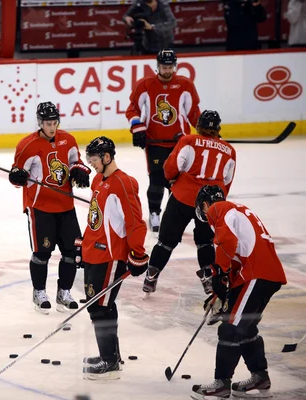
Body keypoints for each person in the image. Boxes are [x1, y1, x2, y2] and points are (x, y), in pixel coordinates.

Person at [191, 185, 287, 400]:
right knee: (245, 327)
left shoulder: (219, 209)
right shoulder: (238, 210)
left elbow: (227, 243)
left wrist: (218, 276)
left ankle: (221, 383)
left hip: (256, 275)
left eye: (203, 209)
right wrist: (223, 287)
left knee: (230, 328)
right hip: (264, 275)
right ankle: (260, 376)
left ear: (205, 204)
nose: (206, 216)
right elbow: (238, 251)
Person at [142, 110, 236, 297]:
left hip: (182, 197)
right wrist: (216, 204)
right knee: (205, 243)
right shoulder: (229, 150)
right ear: (218, 129)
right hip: (210, 205)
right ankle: (209, 281)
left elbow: (171, 167)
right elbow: (226, 181)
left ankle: (151, 276)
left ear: (198, 126)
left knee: (166, 242)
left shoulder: (188, 141)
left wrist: (172, 181)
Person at [9, 101, 90, 314]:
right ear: (40, 123)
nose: (52, 127)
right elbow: (16, 176)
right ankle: (39, 292)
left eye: (54, 122)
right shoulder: (27, 145)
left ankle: (64, 292)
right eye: (47, 123)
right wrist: (16, 176)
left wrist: (80, 170)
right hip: (40, 207)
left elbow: (76, 162)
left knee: (73, 251)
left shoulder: (68, 140)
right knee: (42, 253)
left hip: (65, 206)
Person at [79, 136, 149, 380]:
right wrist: (83, 244)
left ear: (107, 157)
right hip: (94, 252)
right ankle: (111, 355)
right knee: (100, 306)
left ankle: (109, 362)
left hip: (111, 256)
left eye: (95, 160)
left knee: (100, 308)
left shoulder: (124, 183)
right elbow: (96, 217)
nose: (92, 165)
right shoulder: (98, 180)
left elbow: (135, 222)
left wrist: (138, 254)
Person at [125, 48, 202, 232]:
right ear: (157, 66)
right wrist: (138, 127)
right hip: (155, 142)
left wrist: (206, 132)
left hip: (180, 142)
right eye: (163, 67)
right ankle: (154, 214)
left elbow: (193, 113)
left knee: (178, 181)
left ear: (174, 66)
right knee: (157, 179)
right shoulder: (145, 84)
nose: (167, 70)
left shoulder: (185, 85)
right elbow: (133, 109)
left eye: (170, 67)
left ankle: (172, 215)